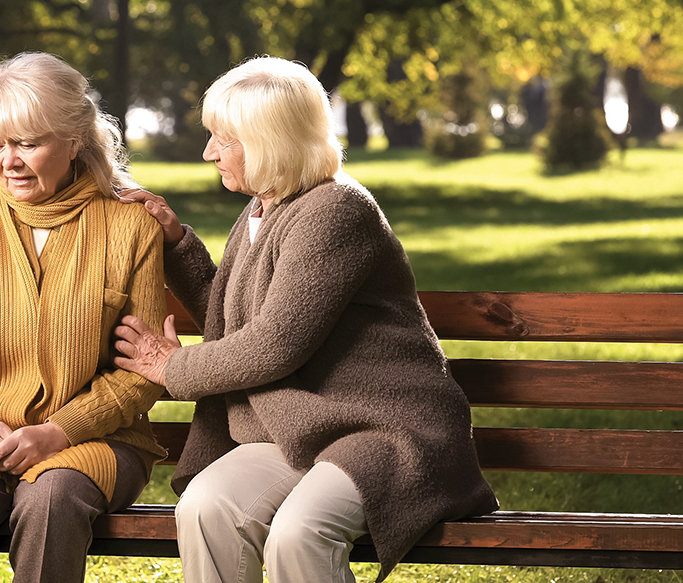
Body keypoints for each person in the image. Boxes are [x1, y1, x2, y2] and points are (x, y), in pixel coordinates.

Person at [113, 56, 498, 583]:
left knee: (300, 531)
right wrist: (177, 243)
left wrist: (171, 367)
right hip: (299, 425)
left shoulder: (335, 210)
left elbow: (274, 344)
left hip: (381, 428)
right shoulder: (263, 209)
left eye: (223, 139)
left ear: (268, 140)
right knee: (205, 508)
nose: (208, 153)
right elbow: (236, 323)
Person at [0, 51, 167, 583]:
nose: (9, 161)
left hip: (98, 441)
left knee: (50, 500)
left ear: (75, 140)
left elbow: (140, 372)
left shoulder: (131, 228)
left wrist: (61, 431)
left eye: (28, 143)